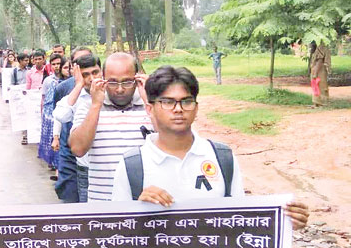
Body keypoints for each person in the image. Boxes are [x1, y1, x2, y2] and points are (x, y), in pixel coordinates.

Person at [110, 65, 310, 229]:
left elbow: (240, 222)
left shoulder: (222, 158)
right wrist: (139, 209)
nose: (178, 109)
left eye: (186, 101)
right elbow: (116, 234)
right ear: (150, 109)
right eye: (168, 102)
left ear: (196, 108)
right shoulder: (132, 166)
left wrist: (284, 221)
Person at [68, 52, 152, 202]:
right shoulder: (88, 106)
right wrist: (96, 105)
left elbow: (171, 142)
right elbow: (78, 149)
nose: (119, 89)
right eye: (112, 82)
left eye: (127, 82)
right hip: (102, 205)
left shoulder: (151, 107)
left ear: (137, 78)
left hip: (145, 204)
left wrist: (150, 101)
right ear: (102, 79)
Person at [52, 48, 99, 202]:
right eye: (84, 72)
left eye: (95, 72)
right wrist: (78, 86)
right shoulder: (66, 89)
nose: (91, 78)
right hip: (74, 154)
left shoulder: (110, 92)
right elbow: (60, 116)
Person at [39, 53, 66, 176]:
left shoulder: (66, 81)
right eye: (53, 64)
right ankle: (53, 163)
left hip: (61, 113)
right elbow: (43, 98)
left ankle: (59, 166)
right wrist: (42, 112)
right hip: (49, 113)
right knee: (51, 137)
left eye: (58, 64)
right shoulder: (48, 80)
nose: (56, 66)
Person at [309, 41, 330, 107]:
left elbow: (319, 61)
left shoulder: (320, 47)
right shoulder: (318, 47)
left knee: (319, 86)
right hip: (316, 70)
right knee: (315, 86)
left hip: (319, 71)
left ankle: (321, 103)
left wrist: (315, 73)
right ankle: (316, 103)